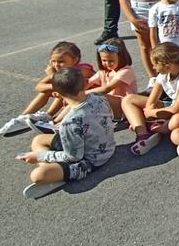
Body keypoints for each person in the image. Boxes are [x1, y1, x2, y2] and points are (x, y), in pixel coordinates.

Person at [16, 67, 116, 199]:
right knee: (39, 139)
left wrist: (40, 156)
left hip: (89, 162)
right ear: (85, 83)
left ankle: (56, 174)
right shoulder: (99, 97)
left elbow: (73, 157)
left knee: (37, 175)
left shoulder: (70, 122)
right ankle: (56, 171)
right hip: (108, 148)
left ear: (56, 94)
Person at [121, 43, 179, 155]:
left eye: (155, 64)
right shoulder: (163, 75)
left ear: (166, 65)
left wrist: (152, 112)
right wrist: (150, 109)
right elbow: (151, 101)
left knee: (175, 121)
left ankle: (155, 128)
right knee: (128, 99)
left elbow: (176, 109)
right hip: (172, 105)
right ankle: (143, 134)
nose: (153, 67)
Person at [0, 42, 85, 136]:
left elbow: (69, 87)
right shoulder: (60, 71)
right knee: (46, 92)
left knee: (61, 90)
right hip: (69, 96)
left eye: (61, 62)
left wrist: (52, 76)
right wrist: (54, 86)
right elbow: (38, 87)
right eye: (53, 61)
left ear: (75, 60)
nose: (56, 65)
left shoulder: (82, 70)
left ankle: (53, 121)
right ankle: (22, 118)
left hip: (80, 100)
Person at [86, 38, 136, 119]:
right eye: (104, 60)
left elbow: (107, 89)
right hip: (110, 105)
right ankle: (59, 121)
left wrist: (82, 93)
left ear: (121, 57)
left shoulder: (126, 71)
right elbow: (88, 82)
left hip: (125, 107)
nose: (107, 63)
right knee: (77, 94)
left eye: (111, 60)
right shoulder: (104, 72)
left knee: (97, 95)